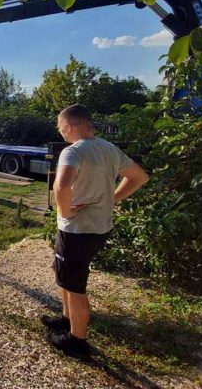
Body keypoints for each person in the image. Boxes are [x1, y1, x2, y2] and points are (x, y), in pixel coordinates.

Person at [42, 104, 149, 359]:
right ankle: (66, 319)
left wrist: (66, 212)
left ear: (68, 126)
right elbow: (139, 177)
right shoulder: (109, 148)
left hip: (77, 230)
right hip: (100, 228)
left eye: (61, 129)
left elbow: (61, 187)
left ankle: (77, 341)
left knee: (76, 285)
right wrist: (112, 198)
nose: (62, 134)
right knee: (65, 275)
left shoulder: (73, 152)